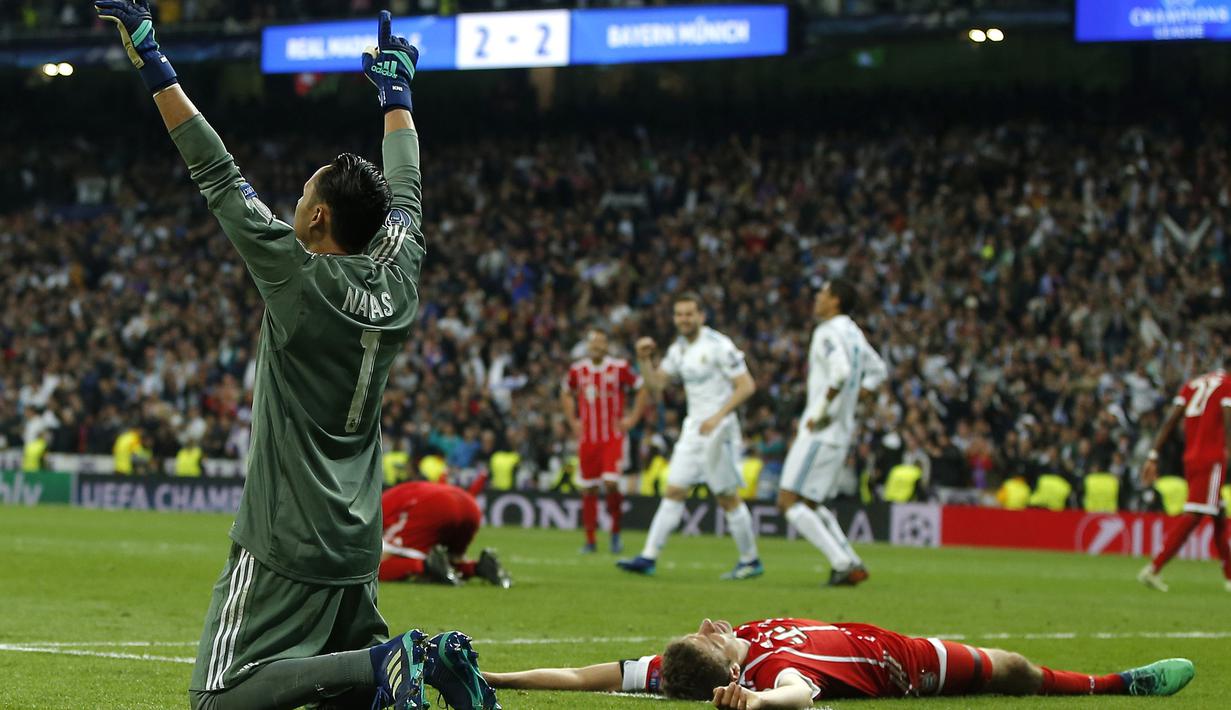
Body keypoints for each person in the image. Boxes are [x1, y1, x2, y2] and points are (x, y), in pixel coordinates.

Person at [94, 4, 498, 709]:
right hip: (357, 538)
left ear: (316, 218)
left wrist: (155, 63)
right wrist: (397, 96)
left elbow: (217, 173)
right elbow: (406, 191)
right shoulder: (399, 275)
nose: (293, 203)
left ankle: (388, 660)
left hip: (286, 538)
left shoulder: (298, 277)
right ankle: (405, 663)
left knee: (218, 699)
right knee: (348, 702)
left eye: (302, 195)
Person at [483, 617, 1195, 707]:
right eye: (708, 639)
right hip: (907, 665)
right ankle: (1117, 685)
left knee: (1011, 665)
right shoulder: (764, 674)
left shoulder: (687, 662)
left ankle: (1113, 682)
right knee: (1014, 670)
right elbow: (799, 693)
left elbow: (583, 677)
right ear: (725, 668)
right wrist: (758, 702)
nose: (708, 626)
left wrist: (497, 677)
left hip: (884, 635)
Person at [618, 292, 762, 580]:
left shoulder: (719, 345)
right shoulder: (679, 349)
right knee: (674, 490)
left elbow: (746, 386)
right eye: (679, 314)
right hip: (693, 428)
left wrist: (718, 416)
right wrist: (644, 360)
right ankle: (648, 557)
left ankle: (750, 560)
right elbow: (657, 385)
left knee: (726, 497)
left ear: (701, 316)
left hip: (719, 429)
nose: (683, 319)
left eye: (689, 314)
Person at [778, 279, 887, 586]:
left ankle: (841, 563)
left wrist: (821, 411)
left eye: (823, 294)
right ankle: (851, 561)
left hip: (820, 431)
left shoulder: (827, 332)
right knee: (811, 504)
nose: (817, 298)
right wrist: (855, 397)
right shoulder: (853, 332)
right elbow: (878, 370)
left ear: (836, 300)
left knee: (789, 501)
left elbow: (840, 373)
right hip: (841, 432)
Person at [1138, 369, 1231, 592]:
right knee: (1195, 514)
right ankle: (1154, 568)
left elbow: (1171, 420)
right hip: (1213, 458)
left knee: (1218, 513)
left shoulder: (1193, 384)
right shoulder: (1228, 385)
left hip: (1191, 457)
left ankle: (1230, 576)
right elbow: (1228, 416)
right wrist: (1228, 449)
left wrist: (1153, 454)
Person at [561, 327, 649, 554]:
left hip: (612, 438)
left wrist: (633, 418)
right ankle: (590, 540)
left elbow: (641, 388)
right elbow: (566, 392)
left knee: (611, 483)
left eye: (601, 342)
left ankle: (615, 534)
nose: (597, 346)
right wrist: (572, 420)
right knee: (589, 488)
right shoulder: (577, 370)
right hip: (588, 440)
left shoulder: (619, 368)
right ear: (588, 345)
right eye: (593, 342)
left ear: (607, 345)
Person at [380, 480, 512, 589]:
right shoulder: (398, 492)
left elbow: (383, 555)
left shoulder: (379, 505)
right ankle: (479, 568)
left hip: (435, 505)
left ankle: (425, 566)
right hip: (469, 505)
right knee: (447, 561)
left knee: (374, 567)